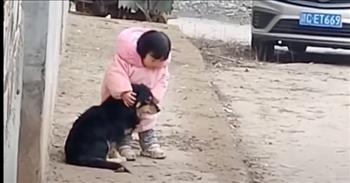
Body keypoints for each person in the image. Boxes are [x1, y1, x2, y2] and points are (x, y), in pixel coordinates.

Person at [101, 27, 171, 160]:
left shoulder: (161, 67)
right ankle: (124, 142)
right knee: (123, 121)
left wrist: (155, 96)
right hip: (125, 100)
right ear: (141, 54)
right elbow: (115, 74)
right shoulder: (125, 60)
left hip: (145, 101)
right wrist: (123, 91)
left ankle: (148, 142)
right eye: (153, 60)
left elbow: (163, 80)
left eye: (161, 61)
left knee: (148, 118)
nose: (157, 64)